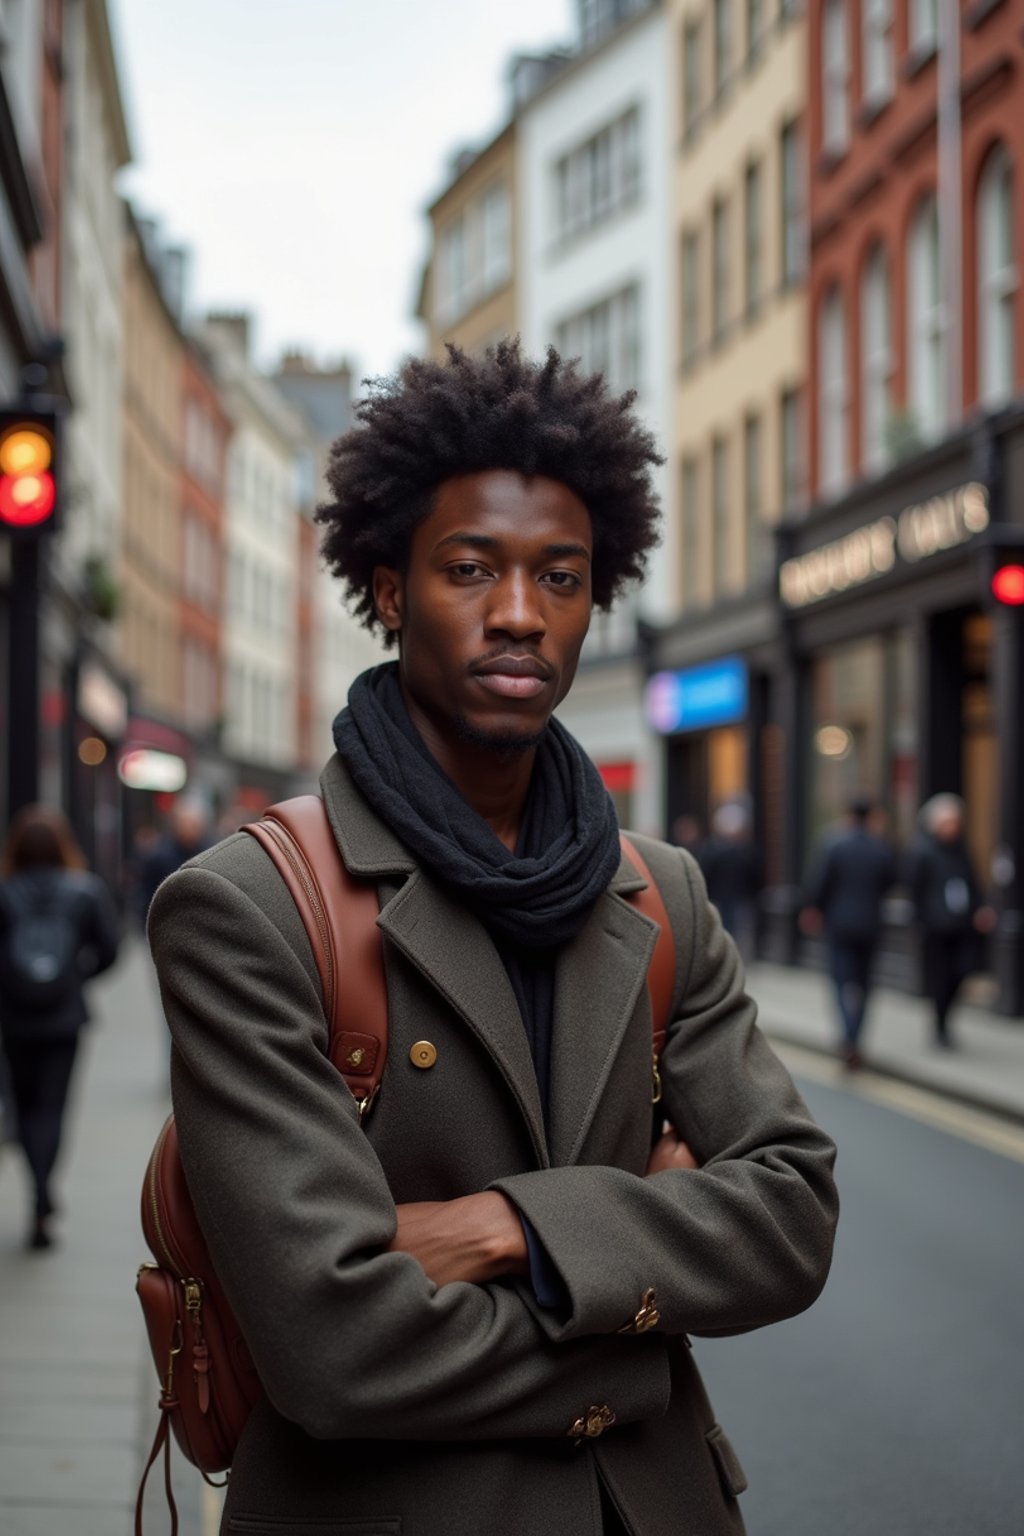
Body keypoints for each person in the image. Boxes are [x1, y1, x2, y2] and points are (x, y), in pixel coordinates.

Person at [148, 341, 838, 1536]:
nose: (520, 614)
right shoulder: (251, 907)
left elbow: (789, 1218)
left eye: (560, 578)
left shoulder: (660, 894)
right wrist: (636, 1344)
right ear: (389, 587)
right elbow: (333, 1346)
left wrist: (498, 1228)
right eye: (470, 569)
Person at [0, 805, 119, 1248]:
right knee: (52, 1108)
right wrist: (73, 978)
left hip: (15, 1019)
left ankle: (37, 1185)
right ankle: (42, 1197)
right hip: (64, 1019)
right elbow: (109, 950)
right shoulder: (84, 892)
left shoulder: (5, 891)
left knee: (25, 1105)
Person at [800, 796, 896, 1068]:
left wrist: (813, 910)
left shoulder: (834, 844)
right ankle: (856, 1038)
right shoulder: (880, 847)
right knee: (864, 985)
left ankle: (847, 1037)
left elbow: (819, 883)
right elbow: (891, 881)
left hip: (839, 924)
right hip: (871, 925)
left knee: (841, 983)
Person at [909, 793, 996, 1049]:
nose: (953, 827)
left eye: (956, 822)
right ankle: (940, 1026)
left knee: (960, 974)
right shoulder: (923, 852)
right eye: (948, 822)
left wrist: (982, 908)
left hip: (961, 925)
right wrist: (920, 921)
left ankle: (946, 1019)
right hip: (935, 927)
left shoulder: (962, 852)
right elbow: (915, 890)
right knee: (938, 978)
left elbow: (974, 883)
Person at [697, 802, 761, 953]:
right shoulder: (745, 851)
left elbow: (704, 873)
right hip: (736, 899)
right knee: (736, 930)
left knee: (729, 930)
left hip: (726, 898)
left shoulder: (713, 849)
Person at [136, 798, 210, 919]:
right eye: (186, 823)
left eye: (194, 825)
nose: (191, 829)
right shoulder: (159, 855)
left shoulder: (208, 852)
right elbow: (148, 894)